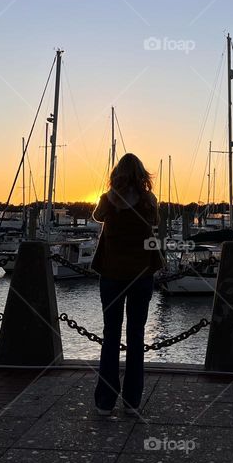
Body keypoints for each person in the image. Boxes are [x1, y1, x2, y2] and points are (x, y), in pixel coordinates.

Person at [90, 152, 165, 416]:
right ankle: (132, 401)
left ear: (117, 173)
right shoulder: (149, 201)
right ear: (142, 174)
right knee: (136, 336)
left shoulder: (107, 200)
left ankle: (104, 402)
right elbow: (155, 223)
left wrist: (112, 196)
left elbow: (97, 217)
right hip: (141, 274)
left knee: (110, 335)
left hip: (111, 274)